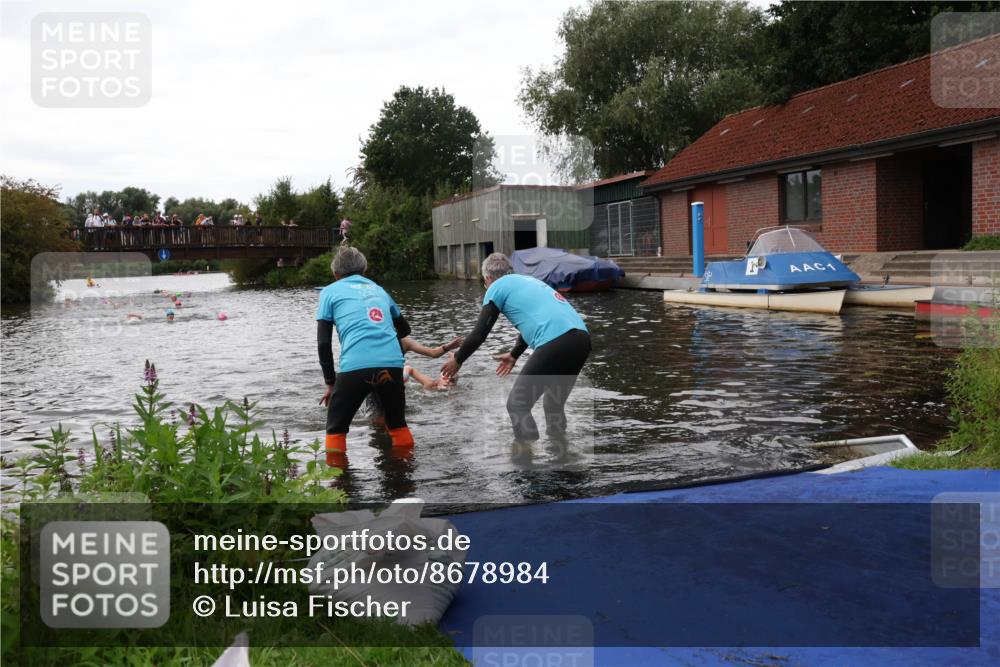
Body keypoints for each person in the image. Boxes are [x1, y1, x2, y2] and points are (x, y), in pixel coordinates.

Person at [442, 252, 591, 451]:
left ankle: (526, 457)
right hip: (581, 340)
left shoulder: (495, 287)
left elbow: (479, 334)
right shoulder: (527, 281)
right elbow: (534, 321)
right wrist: (514, 355)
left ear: (488, 278)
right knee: (553, 405)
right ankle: (561, 455)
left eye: (484, 282)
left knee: (517, 405)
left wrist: (457, 360)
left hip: (556, 341)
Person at [317, 246, 414, 465]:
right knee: (398, 424)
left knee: (336, 428)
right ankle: (403, 477)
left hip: (355, 367)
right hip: (392, 364)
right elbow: (405, 330)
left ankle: (339, 485)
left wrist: (331, 382)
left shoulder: (329, 292)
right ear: (365, 269)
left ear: (335, 274)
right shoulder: (379, 290)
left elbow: (323, 342)